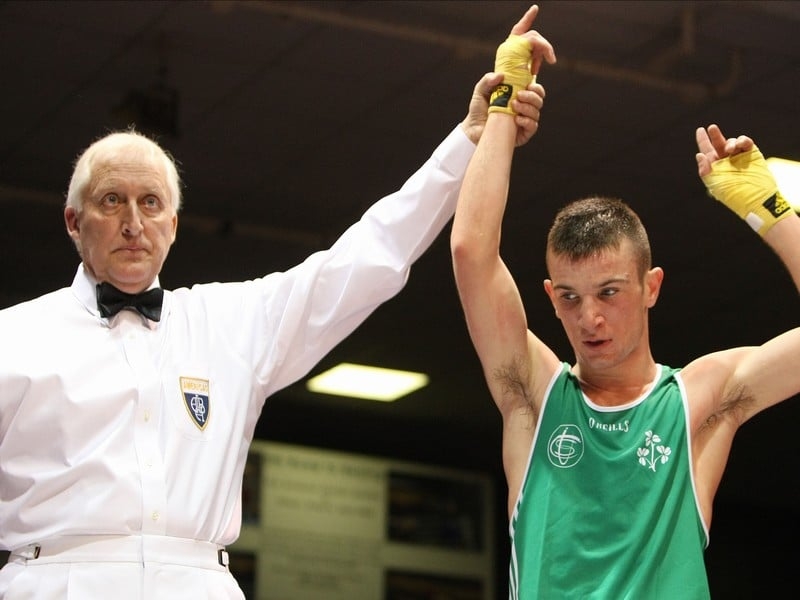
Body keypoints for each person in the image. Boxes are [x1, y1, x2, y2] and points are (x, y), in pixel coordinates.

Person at [0, 7, 556, 599]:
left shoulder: (230, 324)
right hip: (53, 580)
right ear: (73, 221)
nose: (134, 223)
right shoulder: (14, 337)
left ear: (174, 224)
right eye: (112, 200)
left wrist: (470, 139)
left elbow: (369, 255)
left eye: (151, 203)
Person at [450, 15, 800, 599]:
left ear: (651, 287)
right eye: (570, 298)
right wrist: (503, 110)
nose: (589, 318)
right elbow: (471, 253)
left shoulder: (699, 401)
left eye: (609, 292)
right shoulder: (533, 397)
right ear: (551, 299)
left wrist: (769, 210)